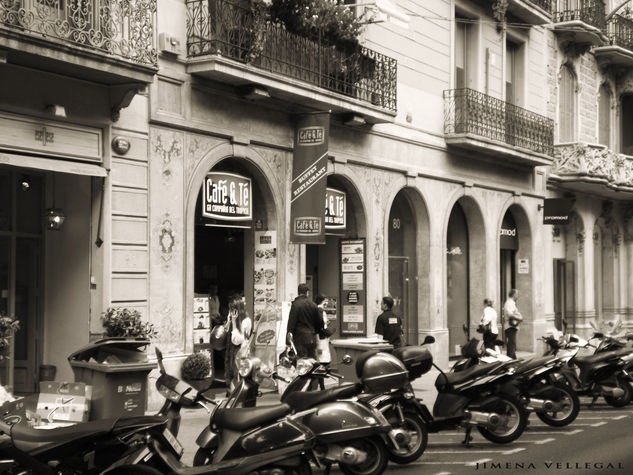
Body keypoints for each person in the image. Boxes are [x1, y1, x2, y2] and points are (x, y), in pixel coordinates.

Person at [287, 283, 324, 359]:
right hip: (312, 337)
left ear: (298, 292)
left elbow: (291, 322)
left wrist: (288, 340)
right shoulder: (313, 305)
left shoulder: (296, 305)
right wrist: (316, 332)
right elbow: (320, 321)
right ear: (307, 292)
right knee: (312, 361)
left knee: (302, 362)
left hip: (300, 338)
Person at [224, 294, 252, 392]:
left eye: (232, 308)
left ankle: (236, 395)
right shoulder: (231, 317)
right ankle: (232, 393)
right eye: (230, 309)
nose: (230, 311)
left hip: (240, 350)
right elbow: (226, 331)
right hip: (231, 350)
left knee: (238, 374)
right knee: (231, 372)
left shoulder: (246, 321)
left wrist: (234, 323)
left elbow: (237, 340)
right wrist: (229, 321)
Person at [315, 295, 331, 390]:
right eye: (326, 301)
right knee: (322, 361)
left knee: (322, 361)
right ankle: (321, 385)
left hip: (322, 339)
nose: (327, 303)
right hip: (321, 339)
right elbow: (320, 326)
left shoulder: (319, 311)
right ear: (321, 301)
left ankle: (321, 385)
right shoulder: (319, 310)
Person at [503, 289, 523, 359]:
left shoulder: (511, 303)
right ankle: (510, 360)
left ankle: (513, 359)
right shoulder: (509, 303)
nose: (517, 296)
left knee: (512, 344)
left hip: (512, 326)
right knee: (511, 344)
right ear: (514, 295)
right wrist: (519, 318)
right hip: (510, 326)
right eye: (517, 294)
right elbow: (510, 314)